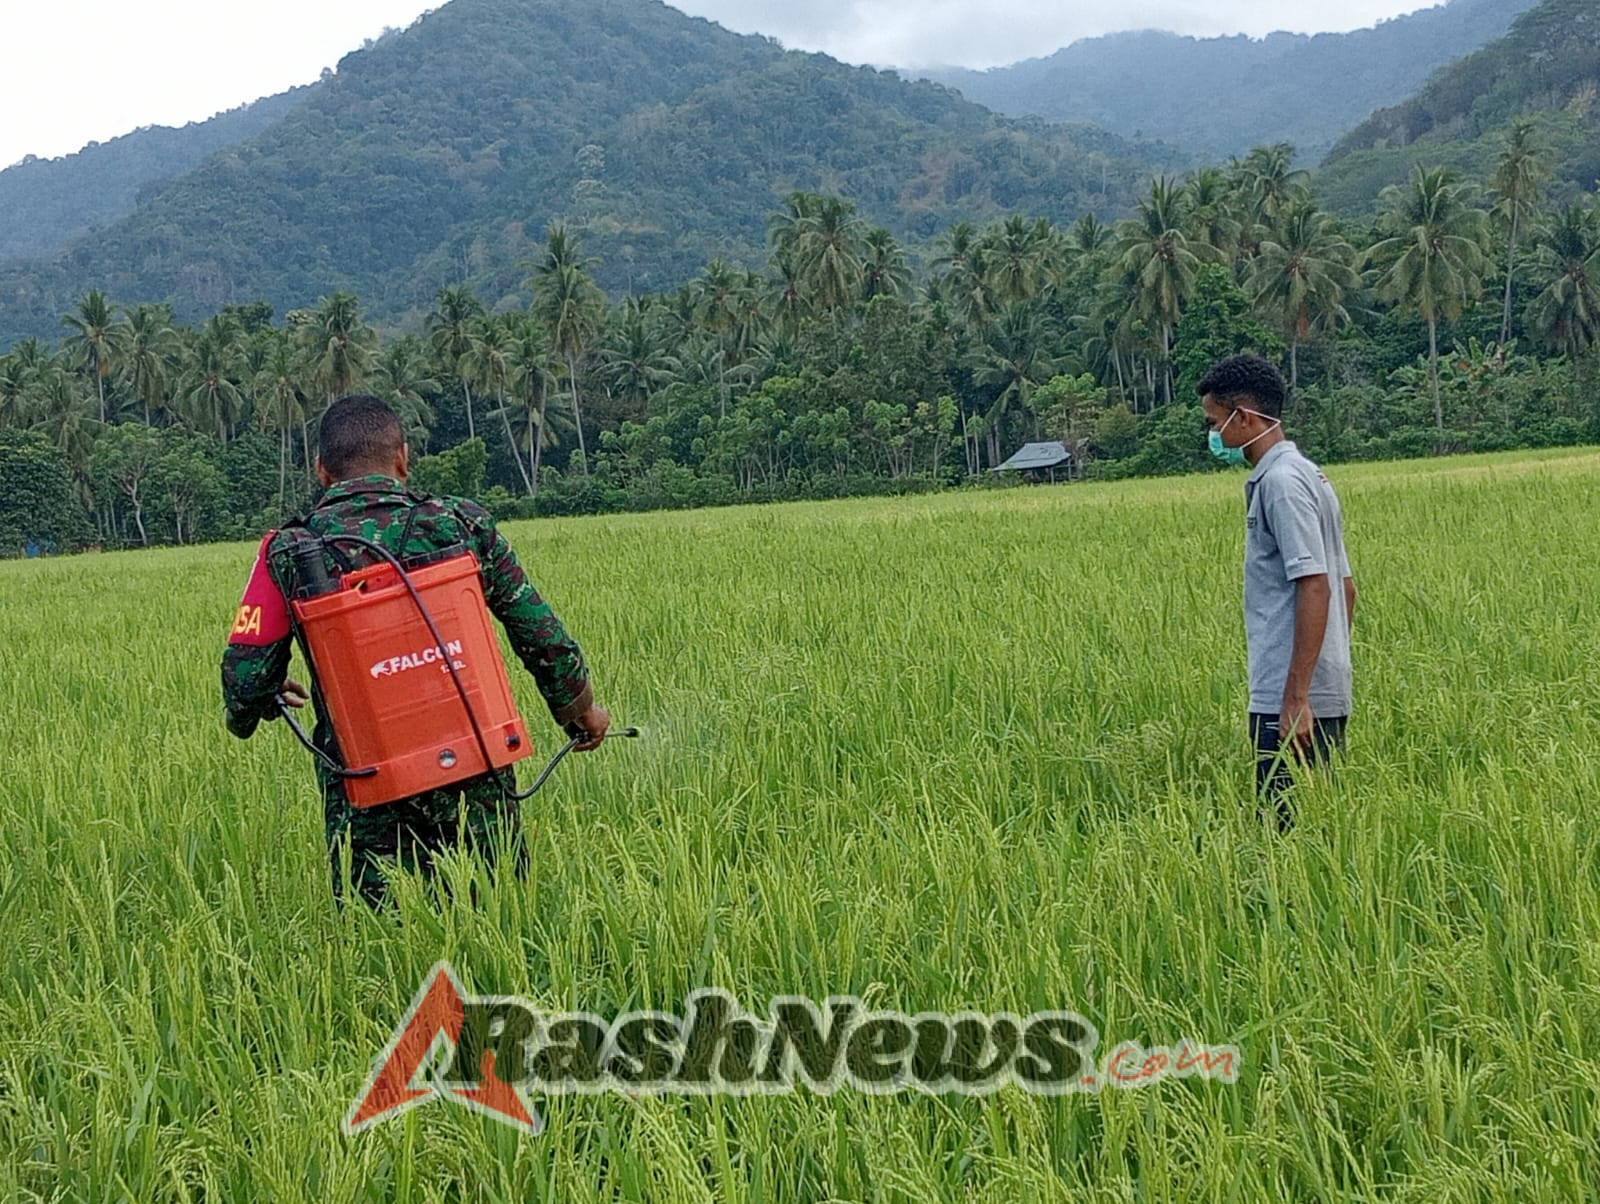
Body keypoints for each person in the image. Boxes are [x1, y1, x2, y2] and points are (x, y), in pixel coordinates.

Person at [221, 394, 609, 904]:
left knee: (380, 939)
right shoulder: (461, 524)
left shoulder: (289, 550)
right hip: (476, 766)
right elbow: (539, 633)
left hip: (365, 783)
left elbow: (245, 678)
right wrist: (579, 713)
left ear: (321, 471)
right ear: (403, 457)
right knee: (499, 919)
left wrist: (250, 711)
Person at [1198, 355, 1355, 829]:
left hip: (1288, 698)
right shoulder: (1310, 474)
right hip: (1317, 689)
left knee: (1283, 836)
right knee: (1319, 832)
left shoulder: (1282, 483)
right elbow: (1345, 588)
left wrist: (1296, 697)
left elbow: (1316, 585)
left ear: (1243, 417)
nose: (1214, 436)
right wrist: (1327, 669)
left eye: (1214, 422)